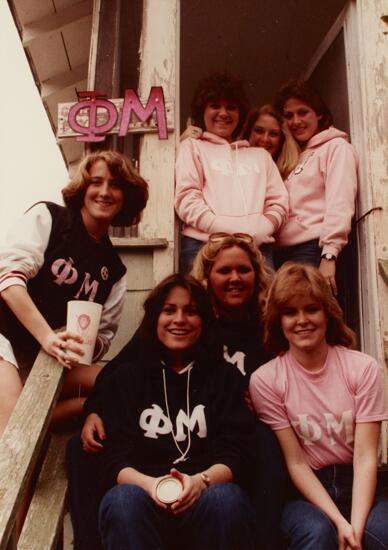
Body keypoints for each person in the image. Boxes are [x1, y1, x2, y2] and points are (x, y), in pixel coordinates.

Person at [96, 273, 258, 549]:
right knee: (122, 500)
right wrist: (149, 486)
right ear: (154, 319)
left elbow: (237, 452)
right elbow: (114, 458)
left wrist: (201, 482)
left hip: (204, 497)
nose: (179, 320)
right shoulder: (128, 378)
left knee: (226, 499)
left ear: (204, 321)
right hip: (145, 497)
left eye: (191, 312)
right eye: (169, 310)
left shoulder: (225, 377)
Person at [0, 150, 148, 433]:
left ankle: (71, 411)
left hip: (48, 360)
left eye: (115, 185)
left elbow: (103, 337)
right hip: (5, 339)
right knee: (12, 433)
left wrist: (83, 344)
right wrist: (48, 336)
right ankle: (20, 417)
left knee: (115, 384)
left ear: (127, 195)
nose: (105, 192)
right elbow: (8, 281)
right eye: (96, 182)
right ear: (83, 188)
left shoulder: (114, 271)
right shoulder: (50, 217)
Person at [250, 263, 388, 550]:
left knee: (379, 533)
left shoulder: (362, 368)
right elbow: (296, 462)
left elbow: (365, 457)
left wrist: (355, 530)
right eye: (290, 312)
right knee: (317, 533)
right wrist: (340, 522)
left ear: (327, 312)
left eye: (311, 308)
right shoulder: (266, 379)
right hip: (305, 491)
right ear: (278, 320)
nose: (302, 320)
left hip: (361, 485)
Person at [175, 73, 288, 273]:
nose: (223, 113)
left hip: (257, 247)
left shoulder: (260, 155)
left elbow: (278, 202)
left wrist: (261, 229)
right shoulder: (192, 147)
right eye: (215, 106)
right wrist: (228, 230)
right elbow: (187, 198)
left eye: (231, 107)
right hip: (204, 245)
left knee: (261, 304)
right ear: (202, 111)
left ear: (241, 114)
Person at [273, 79, 358, 295]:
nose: (296, 121)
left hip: (312, 251)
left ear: (318, 114)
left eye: (303, 112)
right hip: (281, 254)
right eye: (289, 115)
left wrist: (329, 255)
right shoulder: (291, 156)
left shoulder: (336, 148)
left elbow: (340, 203)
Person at [241, 104, 300, 179]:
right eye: (259, 131)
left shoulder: (291, 176)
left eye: (273, 134)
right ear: (249, 133)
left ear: (282, 140)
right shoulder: (232, 163)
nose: (265, 139)